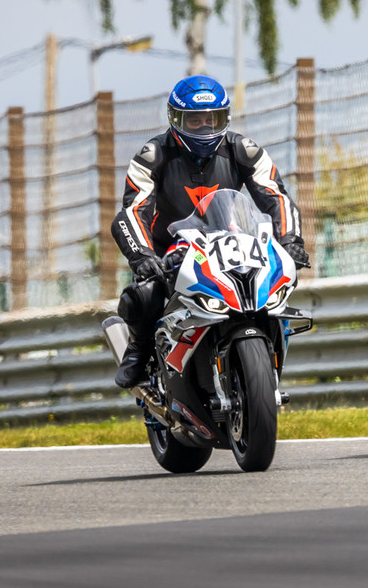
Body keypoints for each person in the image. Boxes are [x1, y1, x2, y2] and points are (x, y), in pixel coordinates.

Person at [109, 75, 309, 388]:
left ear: (224, 118)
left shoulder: (244, 149)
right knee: (144, 295)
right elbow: (134, 210)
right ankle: (139, 348)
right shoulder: (152, 156)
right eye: (194, 120)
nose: (204, 127)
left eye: (212, 119)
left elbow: (277, 197)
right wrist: (143, 256)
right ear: (175, 120)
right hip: (170, 249)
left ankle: (264, 357)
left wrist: (291, 241)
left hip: (230, 241)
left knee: (275, 279)